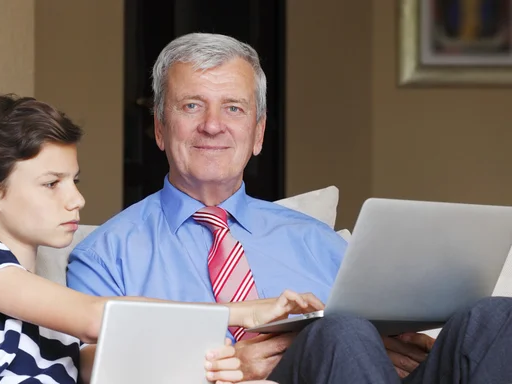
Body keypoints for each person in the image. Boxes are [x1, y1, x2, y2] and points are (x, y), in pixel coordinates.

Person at [67, 32, 512, 383]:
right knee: (339, 331)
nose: (213, 125)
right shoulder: (107, 254)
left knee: (493, 317)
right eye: (191, 106)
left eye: (234, 108)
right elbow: (88, 368)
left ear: (257, 134)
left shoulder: (315, 239)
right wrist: (225, 366)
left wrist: (401, 347)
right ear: (161, 129)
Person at [0, 94, 316, 384]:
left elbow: (110, 365)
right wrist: (239, 312)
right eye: (52, 184)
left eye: (74, 181)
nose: (77, 199)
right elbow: (95, 318)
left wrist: (216, 368)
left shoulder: (50, 314)